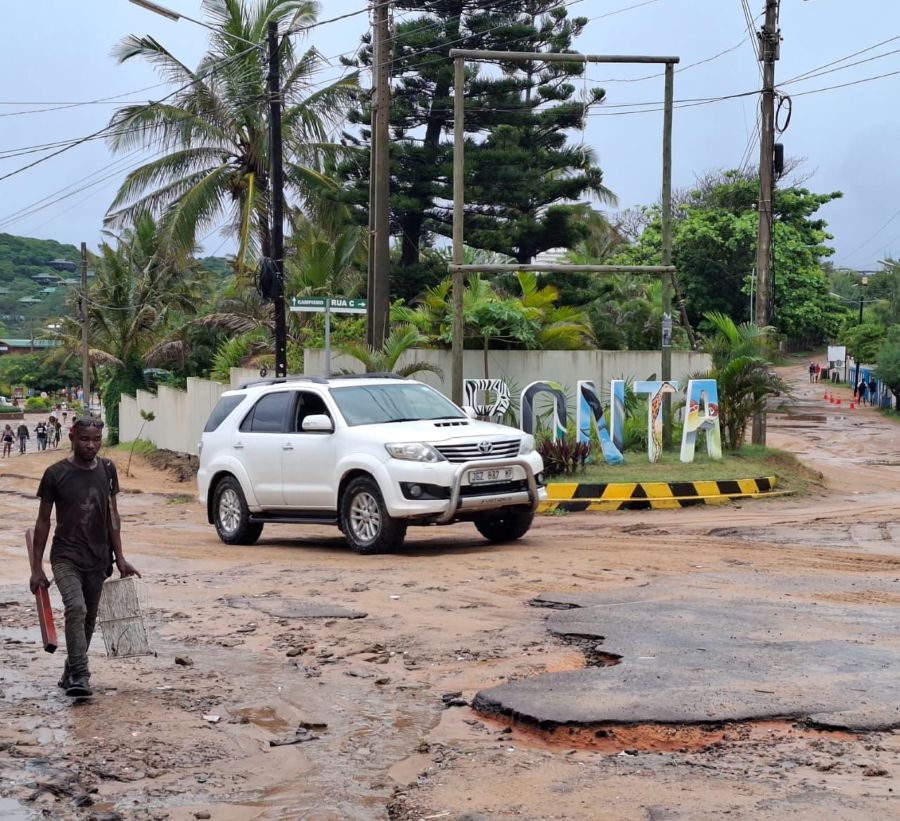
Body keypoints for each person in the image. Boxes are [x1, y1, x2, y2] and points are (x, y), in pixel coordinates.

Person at [29, 417, 141, 698]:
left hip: (98, 558)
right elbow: (43, 522)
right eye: (84, 439)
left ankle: (70, 671)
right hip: (65, 555)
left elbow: (111, 515)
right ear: (72, 438)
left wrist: (120, 557)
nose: (90, 445)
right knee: (76, 608)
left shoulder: (107, 469)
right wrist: (36, 567)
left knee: (89, 618)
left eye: (95, 440)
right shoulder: (55, 474)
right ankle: (81, 674)